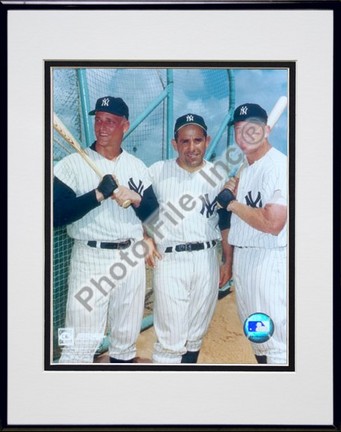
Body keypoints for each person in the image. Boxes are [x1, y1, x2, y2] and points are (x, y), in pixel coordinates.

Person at [53, 96, 158, 363]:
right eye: (98, 120)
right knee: (78, 346)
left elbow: (155, 218)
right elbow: (55, 215)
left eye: (110, 121)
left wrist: (136, 199)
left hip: (131, 258)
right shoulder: (71, 165)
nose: (102, 127)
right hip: (91, 258)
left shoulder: (137, 167)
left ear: (125, 125)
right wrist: (97, 195)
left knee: (124, 344)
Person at [144, 113, 232, 364]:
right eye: (185, 141)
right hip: (170, 259)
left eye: (197, 140)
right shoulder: (158, 171)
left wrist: (228, 260)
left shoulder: (219, 175)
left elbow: (225, 221)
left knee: (195, 335)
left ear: (207, 140)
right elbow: (140, 207)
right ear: (175, 144)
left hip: (206, 258)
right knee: (170, 340)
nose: (191, 147)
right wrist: (145, 236)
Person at [217, 103, 288, 364]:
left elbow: (273, 222)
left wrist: (232, 204)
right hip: (245, 263)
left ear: (266, 130)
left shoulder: (279, 166)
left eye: (252, 128)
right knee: (258, 340)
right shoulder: (245, 169)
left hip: (268, 262)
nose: (244, 135)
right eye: (238, 129)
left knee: (277, 346)